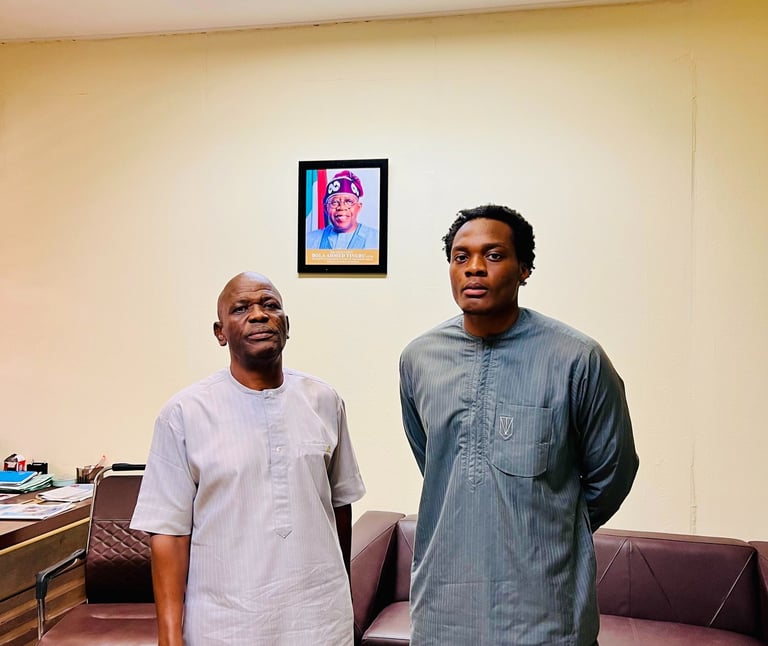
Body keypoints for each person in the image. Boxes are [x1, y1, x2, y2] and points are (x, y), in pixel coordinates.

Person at [399, 205, 639, 646]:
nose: (474, 268)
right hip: (442, 611)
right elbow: (434, 461)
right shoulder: (419, 358)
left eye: (493, 255)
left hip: (546, 613)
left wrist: (548, 525)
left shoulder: (577, 358)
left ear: (525, 269)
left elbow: (613, 472)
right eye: (460, 256)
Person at [130, 271, 366, 646]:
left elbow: (339, 506)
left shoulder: (324, 400)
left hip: (320, 622)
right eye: (241, 308)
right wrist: (169, 636)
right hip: (226, 626)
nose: (259, 315)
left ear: (286, 324)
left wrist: (344, 600)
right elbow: (169, 534)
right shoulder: (184, 414)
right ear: (220, 332)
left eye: (270, 305)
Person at [306, 170, 379, 249]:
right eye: (334, 202)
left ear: (358, 207)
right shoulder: (309, 240)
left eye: (349, 202)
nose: (341, 207)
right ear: (326, 209)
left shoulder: (377, 239)